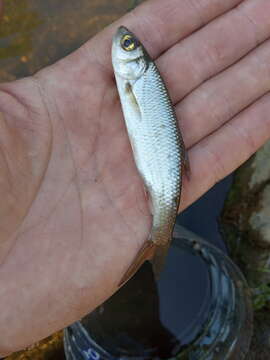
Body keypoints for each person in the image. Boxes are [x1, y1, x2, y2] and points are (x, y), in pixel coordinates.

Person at [0, 0, 270, 356]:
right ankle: (157, 244)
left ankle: (157, 242)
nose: (122, 42)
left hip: (160, 171)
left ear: (135, 61)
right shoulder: (134, 77)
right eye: (129, 45)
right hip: (161, 169)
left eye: (128, 45)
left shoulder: (137, 76)